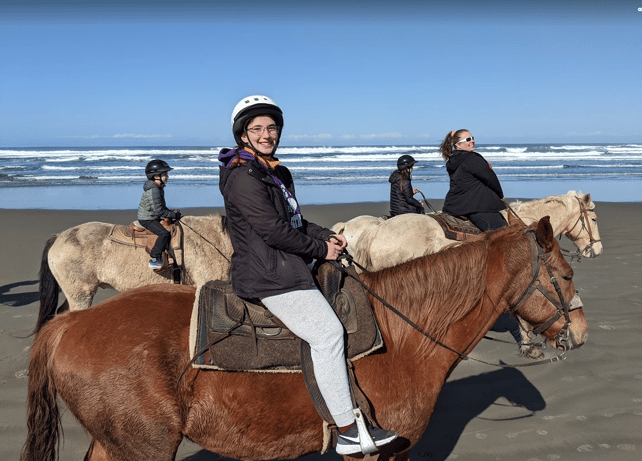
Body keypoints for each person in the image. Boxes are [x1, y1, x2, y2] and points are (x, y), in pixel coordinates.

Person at [218, 95, 398, 455]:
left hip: (286, 261)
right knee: (328, 334)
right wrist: (320, 251)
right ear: (243, 135)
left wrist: (323, 235)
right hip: (269, 274)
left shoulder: (274, 171)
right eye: (257, 129)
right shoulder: (242, 176)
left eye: (271, 128)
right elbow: (271, 231)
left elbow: (294, 221)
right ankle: (347, 430)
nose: (266, 134)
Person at [439, 130, 507, 231]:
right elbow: (490, 179)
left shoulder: (453, 160)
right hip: (476, 206)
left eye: (472, 138)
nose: (472, 141)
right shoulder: (472, 159)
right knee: (504, 234)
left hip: (455, 205)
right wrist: (500, 195)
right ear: (458, 145)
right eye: (468, 139)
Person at [137, 159, 182, 269]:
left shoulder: (158, 188)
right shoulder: (155, 190)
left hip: (153, 216)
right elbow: (159, 211)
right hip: (147, 219)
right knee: (164, 234)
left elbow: (161, 207)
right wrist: (173, 215)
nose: (167, 177)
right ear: (156, 176)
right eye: (165, 174)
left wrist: (172, 213)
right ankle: (155, 257)